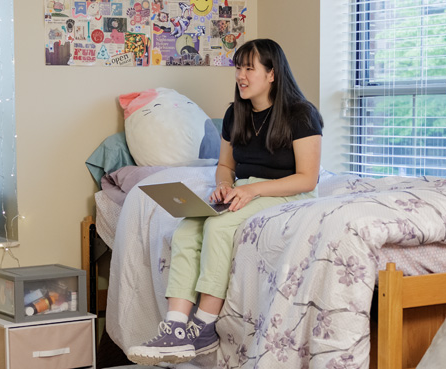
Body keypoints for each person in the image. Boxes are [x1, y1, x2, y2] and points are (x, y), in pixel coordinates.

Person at [126, 38, 323, 366]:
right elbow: (226, 166)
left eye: (250, 68)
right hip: (246, 188)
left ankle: (203, 325)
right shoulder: (236, 113)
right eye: (238, 68)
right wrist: (222, 186)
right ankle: (175, 329)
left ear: (272, 74)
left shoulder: (301, 114)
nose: (241, 75)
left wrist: (254, 190)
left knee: (218, 227)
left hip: (290, 193)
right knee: (187, 228)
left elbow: (308, 178)